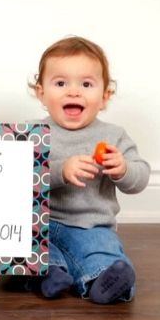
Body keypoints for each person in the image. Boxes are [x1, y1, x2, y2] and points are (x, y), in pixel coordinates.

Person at [29, 36, 150, 304]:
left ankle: (104, 279)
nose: (74, 92)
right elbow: (17, 177)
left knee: (101, 249)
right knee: (33, 249)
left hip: (91, 225)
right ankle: (50, 275)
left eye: (86, 84)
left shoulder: (114, 136)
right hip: (39, 224)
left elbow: (140, 177)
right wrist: (61, 170)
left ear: (105, 96)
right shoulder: (34, 134)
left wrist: (123, 169)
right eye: (60, 83)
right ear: (41, 93)